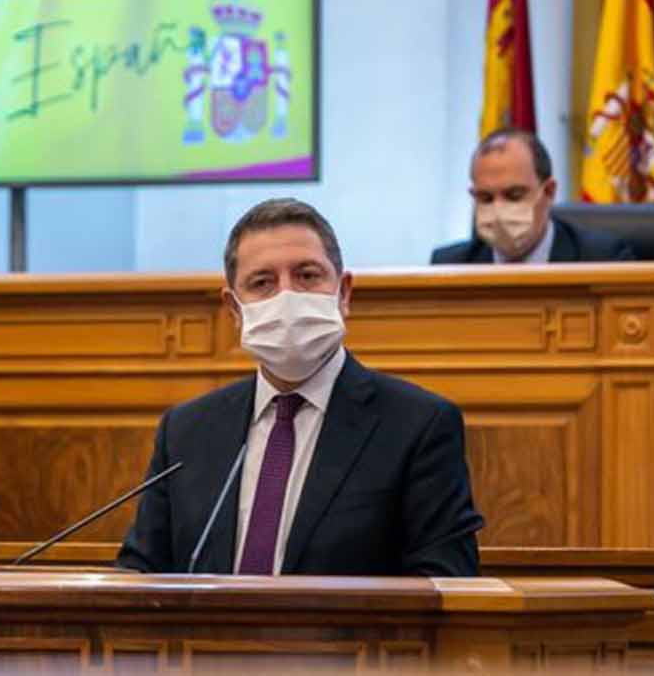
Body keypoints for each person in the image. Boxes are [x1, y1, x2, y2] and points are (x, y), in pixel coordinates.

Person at [117, 198, 483, 576]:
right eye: (262, 283)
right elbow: (141, 573)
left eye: (307, 276)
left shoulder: (418, 425)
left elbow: (446, 581)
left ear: (344, 293)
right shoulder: (187, 430)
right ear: (233, 310)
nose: (287, 296)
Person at [432, 128, 635, 264]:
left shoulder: (604, 260)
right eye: (485, 198)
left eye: (514, 195)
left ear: (549, 192)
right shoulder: (448, 266)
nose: (498, 211)